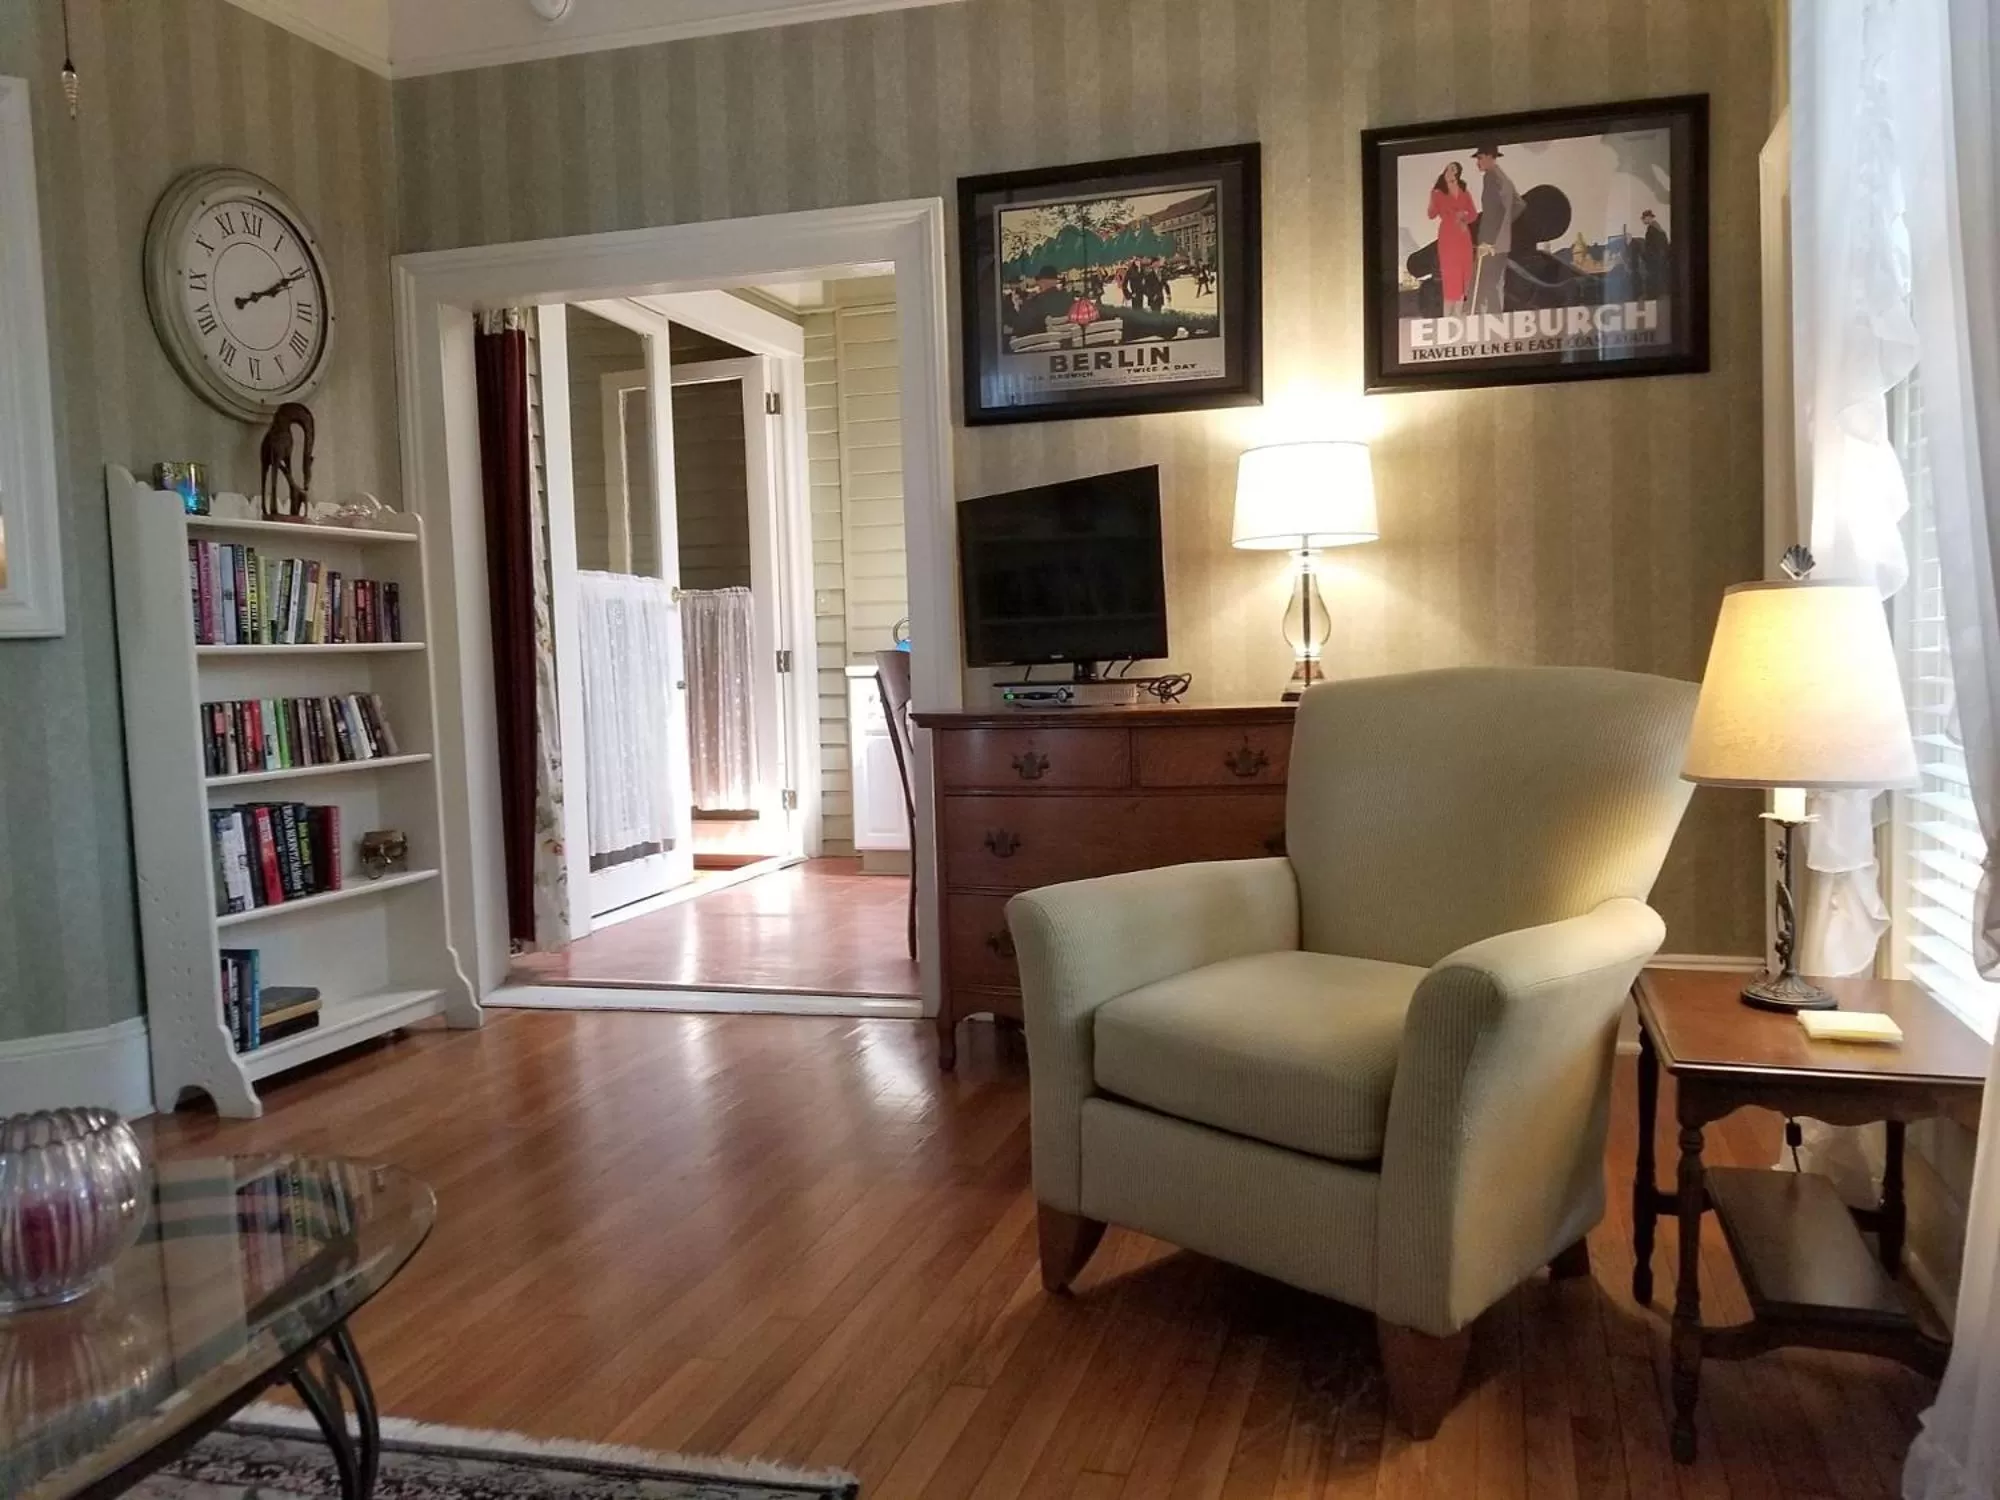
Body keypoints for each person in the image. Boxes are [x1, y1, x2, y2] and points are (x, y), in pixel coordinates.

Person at [1471, 144, 1523, 314]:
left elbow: (1492, 214)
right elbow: (1519, 205)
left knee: (1485, 286)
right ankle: (1495, 319)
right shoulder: (1504, 178)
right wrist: (1505, 226)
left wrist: (1489, 241)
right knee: (1492, 285)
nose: (1477, 162)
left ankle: (1489, 320)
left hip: (1490, 242)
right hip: (1500, 243)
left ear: (1489, 157)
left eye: (1480, 158)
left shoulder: (1491, 177)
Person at [1426, 160, 1477, 315]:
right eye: (1447, 169)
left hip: (1463, 237)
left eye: (1453, 169)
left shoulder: (1464, 191)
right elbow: (1431, 215)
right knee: (1450, 276)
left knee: (1464, 274)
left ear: (1458, 173)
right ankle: (1447, 316)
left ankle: (1459, 315)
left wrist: (1464, 216)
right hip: (1448, 237)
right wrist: (1432, 198)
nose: (1449, 172)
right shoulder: (1437, 193)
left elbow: (1473, 214)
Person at [1004, 265, 1076, 341]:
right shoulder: (1070, 299)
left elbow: (1020, 328)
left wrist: (1016, 308)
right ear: (1056, 281)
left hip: (1042, 344)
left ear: (1041, 282)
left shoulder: (1035, 302)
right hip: (1066, 343)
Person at [1639, 208, 1672, 301]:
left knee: (1652, 276)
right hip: (1661, 259)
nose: (1643, 220)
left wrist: (1644, 256)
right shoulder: (1658, 228)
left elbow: (1650, 247)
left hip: (1655, 259)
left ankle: (1652, 295)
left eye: (1644, 218)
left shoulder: (1652, 229)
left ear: (1649, 218)